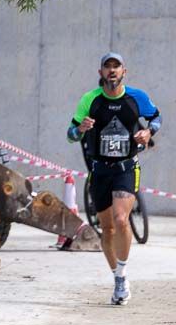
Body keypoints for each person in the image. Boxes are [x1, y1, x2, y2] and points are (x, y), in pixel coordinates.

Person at [67, 52, 161, 305]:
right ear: (100, 73)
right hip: (99, 171)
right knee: (107, 229)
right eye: (107, 67)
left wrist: (147, 131)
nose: (112, 71)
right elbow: (70, 134)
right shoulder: (90, 100)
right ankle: (118, 277)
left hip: (126, 167)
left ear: (123, 72)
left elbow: (156, 117)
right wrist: (81, 129)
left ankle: (122, 274)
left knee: (121, 219)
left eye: (116, 67)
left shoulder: (136, 98)